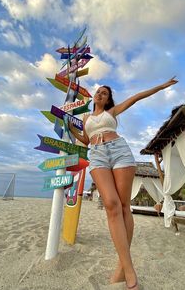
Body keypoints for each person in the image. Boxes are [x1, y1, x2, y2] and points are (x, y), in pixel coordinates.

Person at [69, 77, 178, 290]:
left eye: (105, 93)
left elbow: (137, 98)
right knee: (111, 204)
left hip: (119, 151)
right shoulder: (85, 118)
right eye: (98, 91)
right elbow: (85, 139)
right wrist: (70, 128)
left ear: (108, 100)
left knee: (125, 206)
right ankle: (128, 268)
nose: (100, 94)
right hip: (98, 155)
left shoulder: (112, 112)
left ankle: (124, 268)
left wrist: (161, 86)